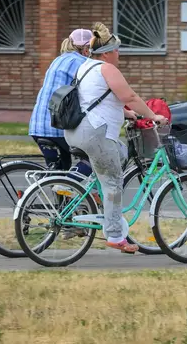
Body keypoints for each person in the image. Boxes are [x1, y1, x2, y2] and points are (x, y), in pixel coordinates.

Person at [64, 22, 169, 254]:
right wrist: (153, 116)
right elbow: (128, 95)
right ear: (108, 52)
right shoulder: (107, 69)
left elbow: (97, 98)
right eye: (117, 50)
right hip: (96, 134)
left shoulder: (86, 67)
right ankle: (115, 235)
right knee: (113, 181)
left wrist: (128, 114)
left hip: (76, 132)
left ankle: (87, 191)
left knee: (120, 154)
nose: (119, 54)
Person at [29, 28, 94, 179]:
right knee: (93, 158)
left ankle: (58, 199)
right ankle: (69, 186)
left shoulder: (57, 60)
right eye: (91, 48)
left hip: (38, 125)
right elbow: (91, 93)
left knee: (59, 171)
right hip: (57, 127)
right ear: (85, 48)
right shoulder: (83, 63)